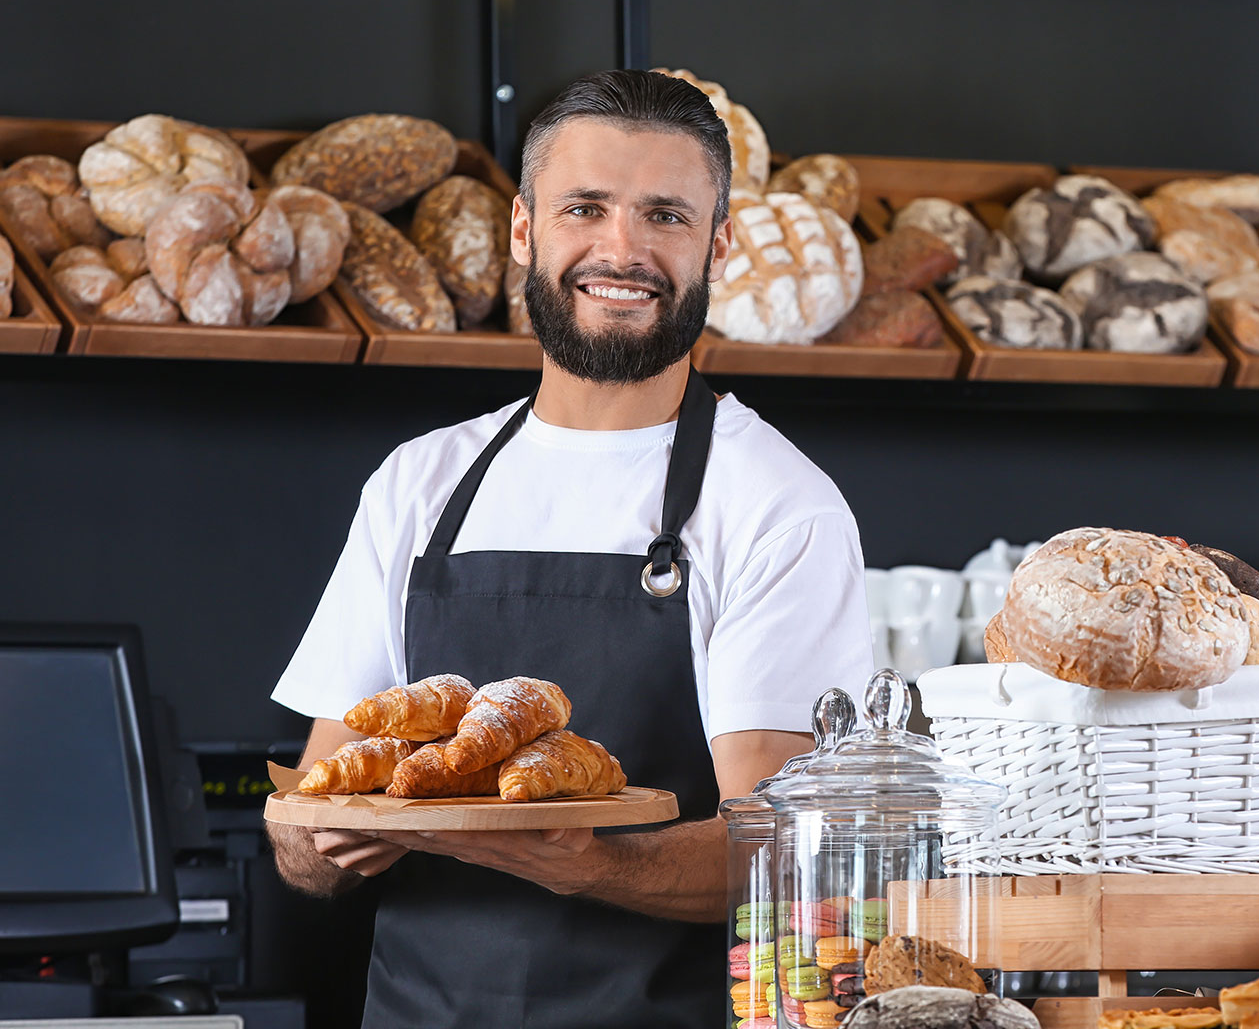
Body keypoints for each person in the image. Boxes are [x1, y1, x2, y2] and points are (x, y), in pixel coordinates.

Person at [265, 69, 871, 1029]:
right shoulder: (419, 486)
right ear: (524, 228)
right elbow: (311, 811)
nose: (621, 250)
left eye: (664, 215)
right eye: (585, 207)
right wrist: (312, 834)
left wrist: (586, 859)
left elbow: (787, 852)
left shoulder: (778, 505)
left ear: (718, 244)